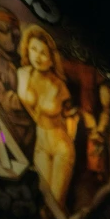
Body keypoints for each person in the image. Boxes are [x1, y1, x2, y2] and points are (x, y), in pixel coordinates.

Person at [17, 24, 77, 207]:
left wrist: (70, 138)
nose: (38, 56)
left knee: (56, 204)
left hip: (61, 148)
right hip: (40, 146)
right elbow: (28, 107)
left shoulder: (59, 85)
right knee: (42, 203)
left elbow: (72, 116)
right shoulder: (22, 74)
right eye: (34, 49)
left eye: (43, 52)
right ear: (27, 49)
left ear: (51, 58)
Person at [0, 6, 34, 156]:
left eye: (14, 30)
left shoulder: (23, 59)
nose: (12, 35)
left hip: (30, 135)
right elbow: (5, 102)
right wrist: (35, 98)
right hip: (3, 138)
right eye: (3, 30)